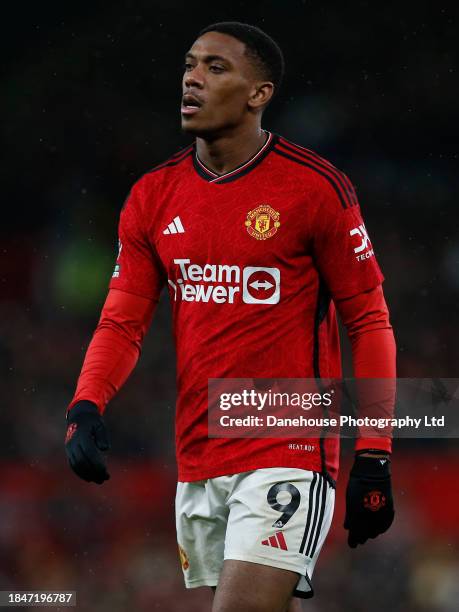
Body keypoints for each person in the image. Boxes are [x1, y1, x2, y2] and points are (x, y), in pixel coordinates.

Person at [64, 22, 396, 612]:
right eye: (190, 65)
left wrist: (374, 449)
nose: (192, 78)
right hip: (198, 451)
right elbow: (122, 322)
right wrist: (87, 404)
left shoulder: (314, 188)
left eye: (216, 68)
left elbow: (368, 321)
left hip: (286, 443)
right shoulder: (152, 196)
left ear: (258, 93)